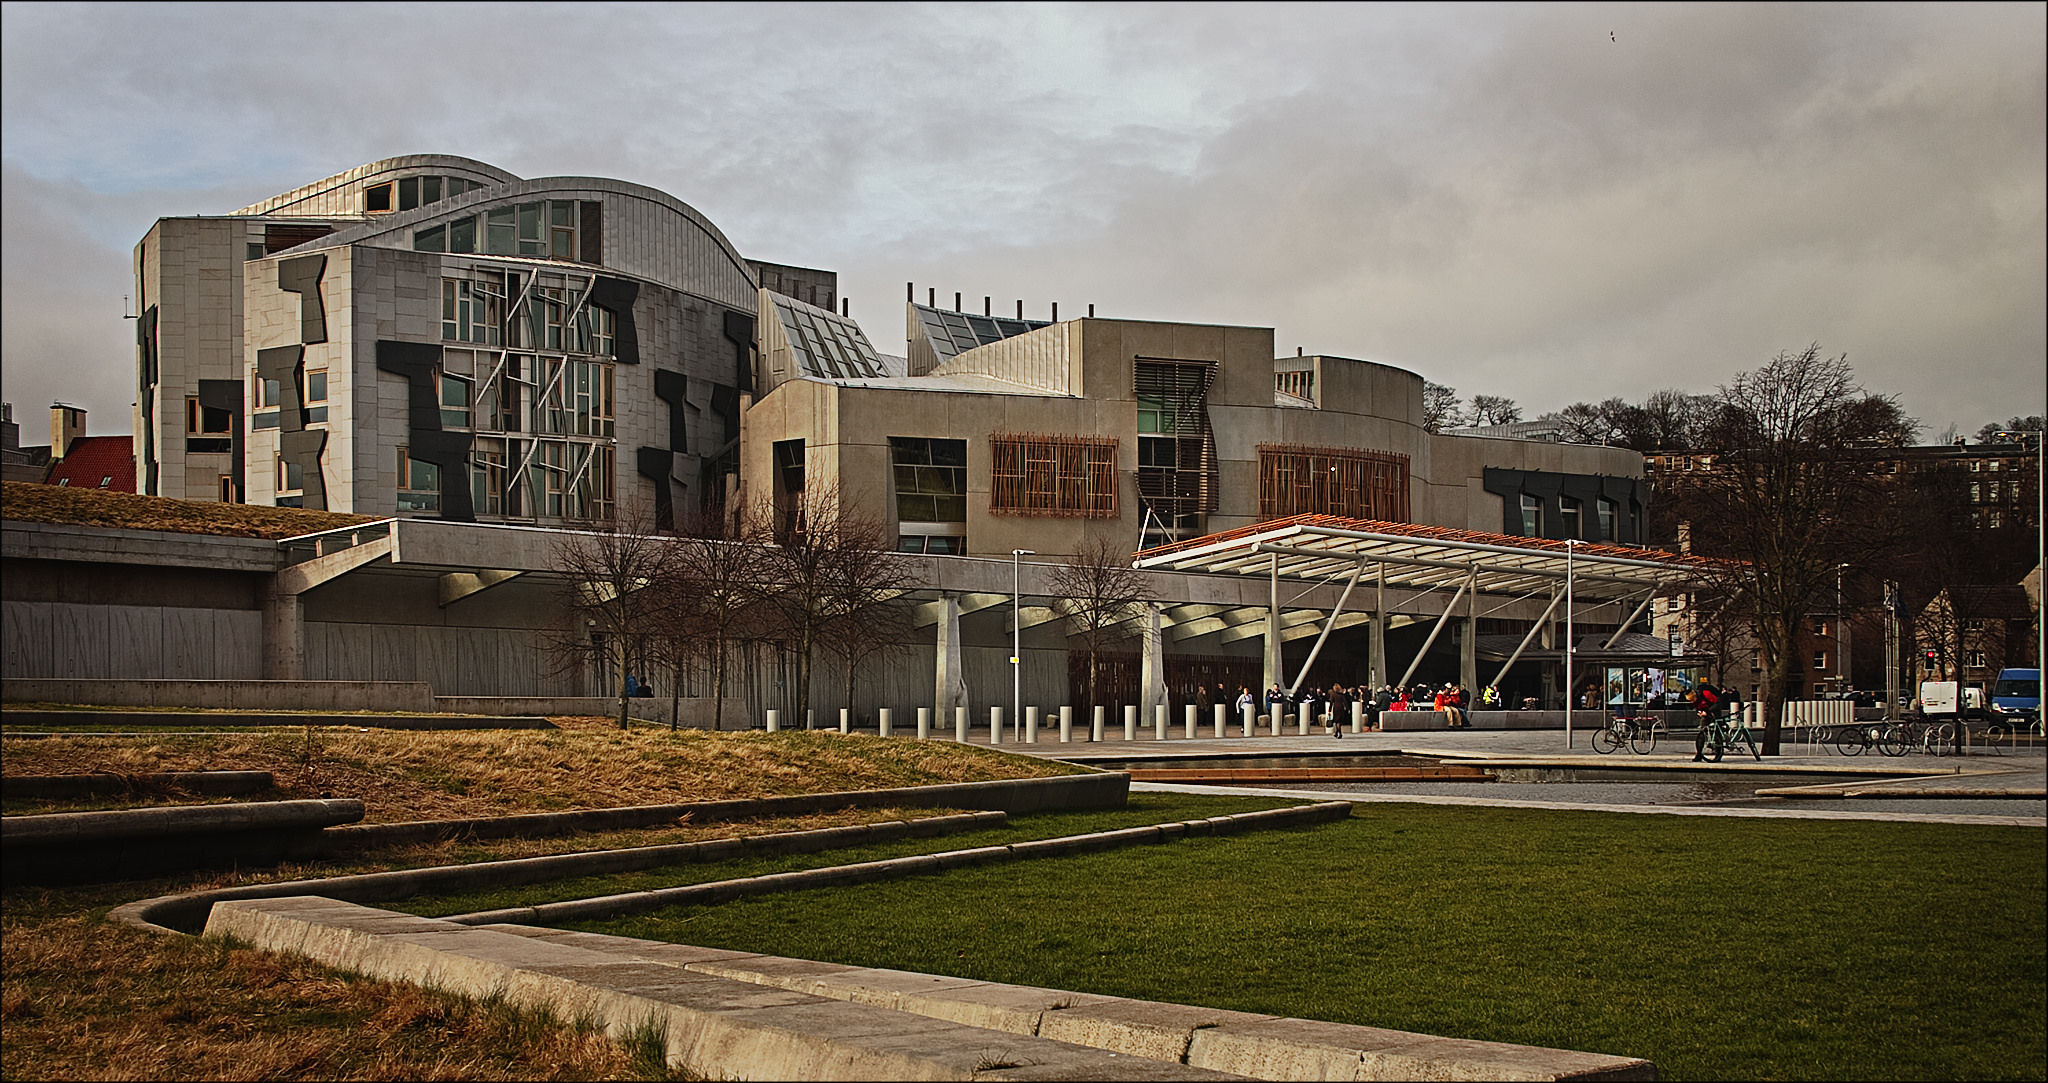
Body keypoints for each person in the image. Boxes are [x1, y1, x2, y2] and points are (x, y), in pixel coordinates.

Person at [1692, 682, 1724, 761]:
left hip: (1715, 712)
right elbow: (1698, 707)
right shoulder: (1694, 700)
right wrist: (1699, 712)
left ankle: (1718, 753)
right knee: (1702, 732)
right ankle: (1699, 754)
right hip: (1706, 714)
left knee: (1717, 732)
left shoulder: (1706, 694)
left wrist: (1708, 711)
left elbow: (1717, 703)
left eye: (1693, 700)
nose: (1692, 702)